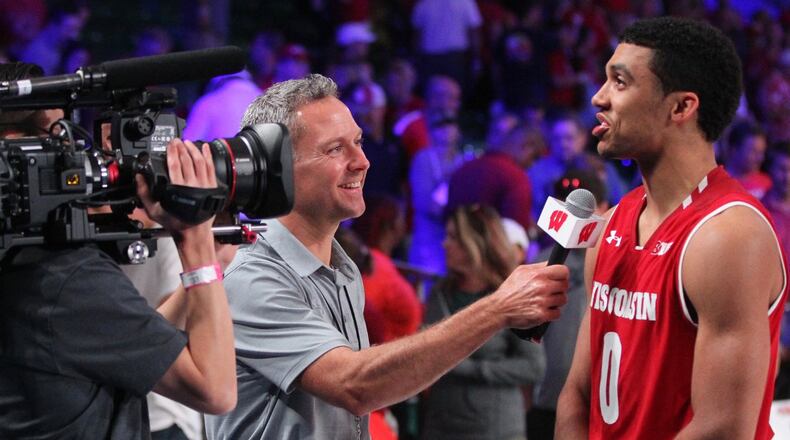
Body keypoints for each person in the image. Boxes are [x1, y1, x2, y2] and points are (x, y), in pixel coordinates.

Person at [204, 73, 570, 439]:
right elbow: (355, 385)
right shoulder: (252, 276)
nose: (362, 161)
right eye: (336, 149)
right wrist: (497, 309)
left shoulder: (342, 267)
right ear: (277, 169)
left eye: (358, 142)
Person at [556, 17, 788, 439]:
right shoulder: (613, 222)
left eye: (620, 82)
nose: (599, 97)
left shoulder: (728, 235)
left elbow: (722, 428)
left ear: (681, 107)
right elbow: (576, 392)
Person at [0, 62, 237, 439]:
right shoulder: (66, 280)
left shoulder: (28, 263)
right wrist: (195, 241)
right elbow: (216, 389)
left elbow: (125, 337)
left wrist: (204, 271)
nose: (72, 151)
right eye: (56, 135)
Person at [421, 205, 546, 440]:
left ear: (475, 244)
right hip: (441, 425)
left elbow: (532, 366)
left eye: (454, 237)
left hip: (495, 427)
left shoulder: (512, 295)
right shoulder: (440, 293)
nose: (444, 244)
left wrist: (471, 369)